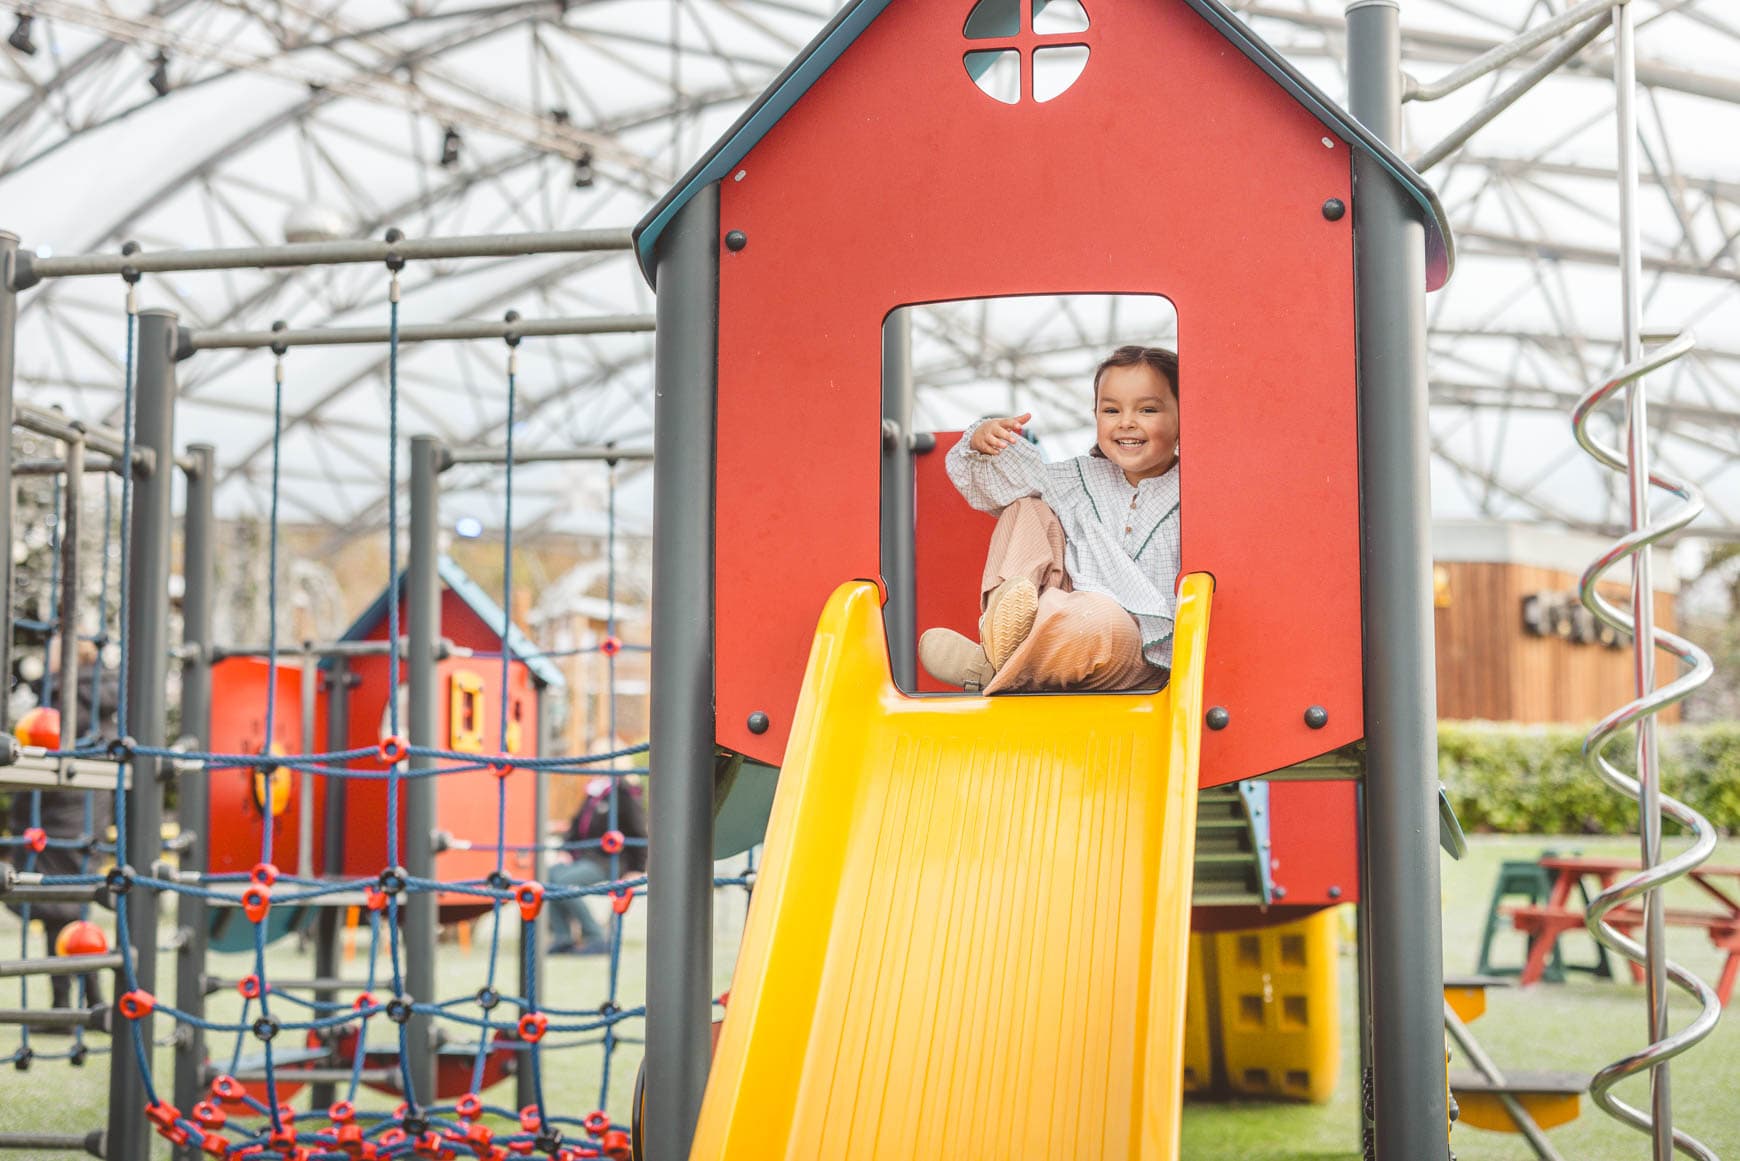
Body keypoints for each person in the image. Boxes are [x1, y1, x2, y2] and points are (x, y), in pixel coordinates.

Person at [919, 345, 1180, 694]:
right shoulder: (1077, 478)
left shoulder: (1193, 492)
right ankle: (1007, 617)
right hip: (1060, 610)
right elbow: (998, 485)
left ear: (1184, 415)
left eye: (1148, 409)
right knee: (1026, 506)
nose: (1127, 422)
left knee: (1095, 619)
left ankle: (991, 669)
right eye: (1111, 410)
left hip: (1139, 646)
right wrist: (981, 442)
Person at [545, 774, 647, 956]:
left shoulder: (623, 794)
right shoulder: (594, 792)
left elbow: (639, 833)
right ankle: (563, 936)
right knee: (547, 875)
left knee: (563, 882)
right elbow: (576, 826)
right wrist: (565, 850)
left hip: (610, 861)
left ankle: (595, 936)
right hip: (584, 856)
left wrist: (637, 869)